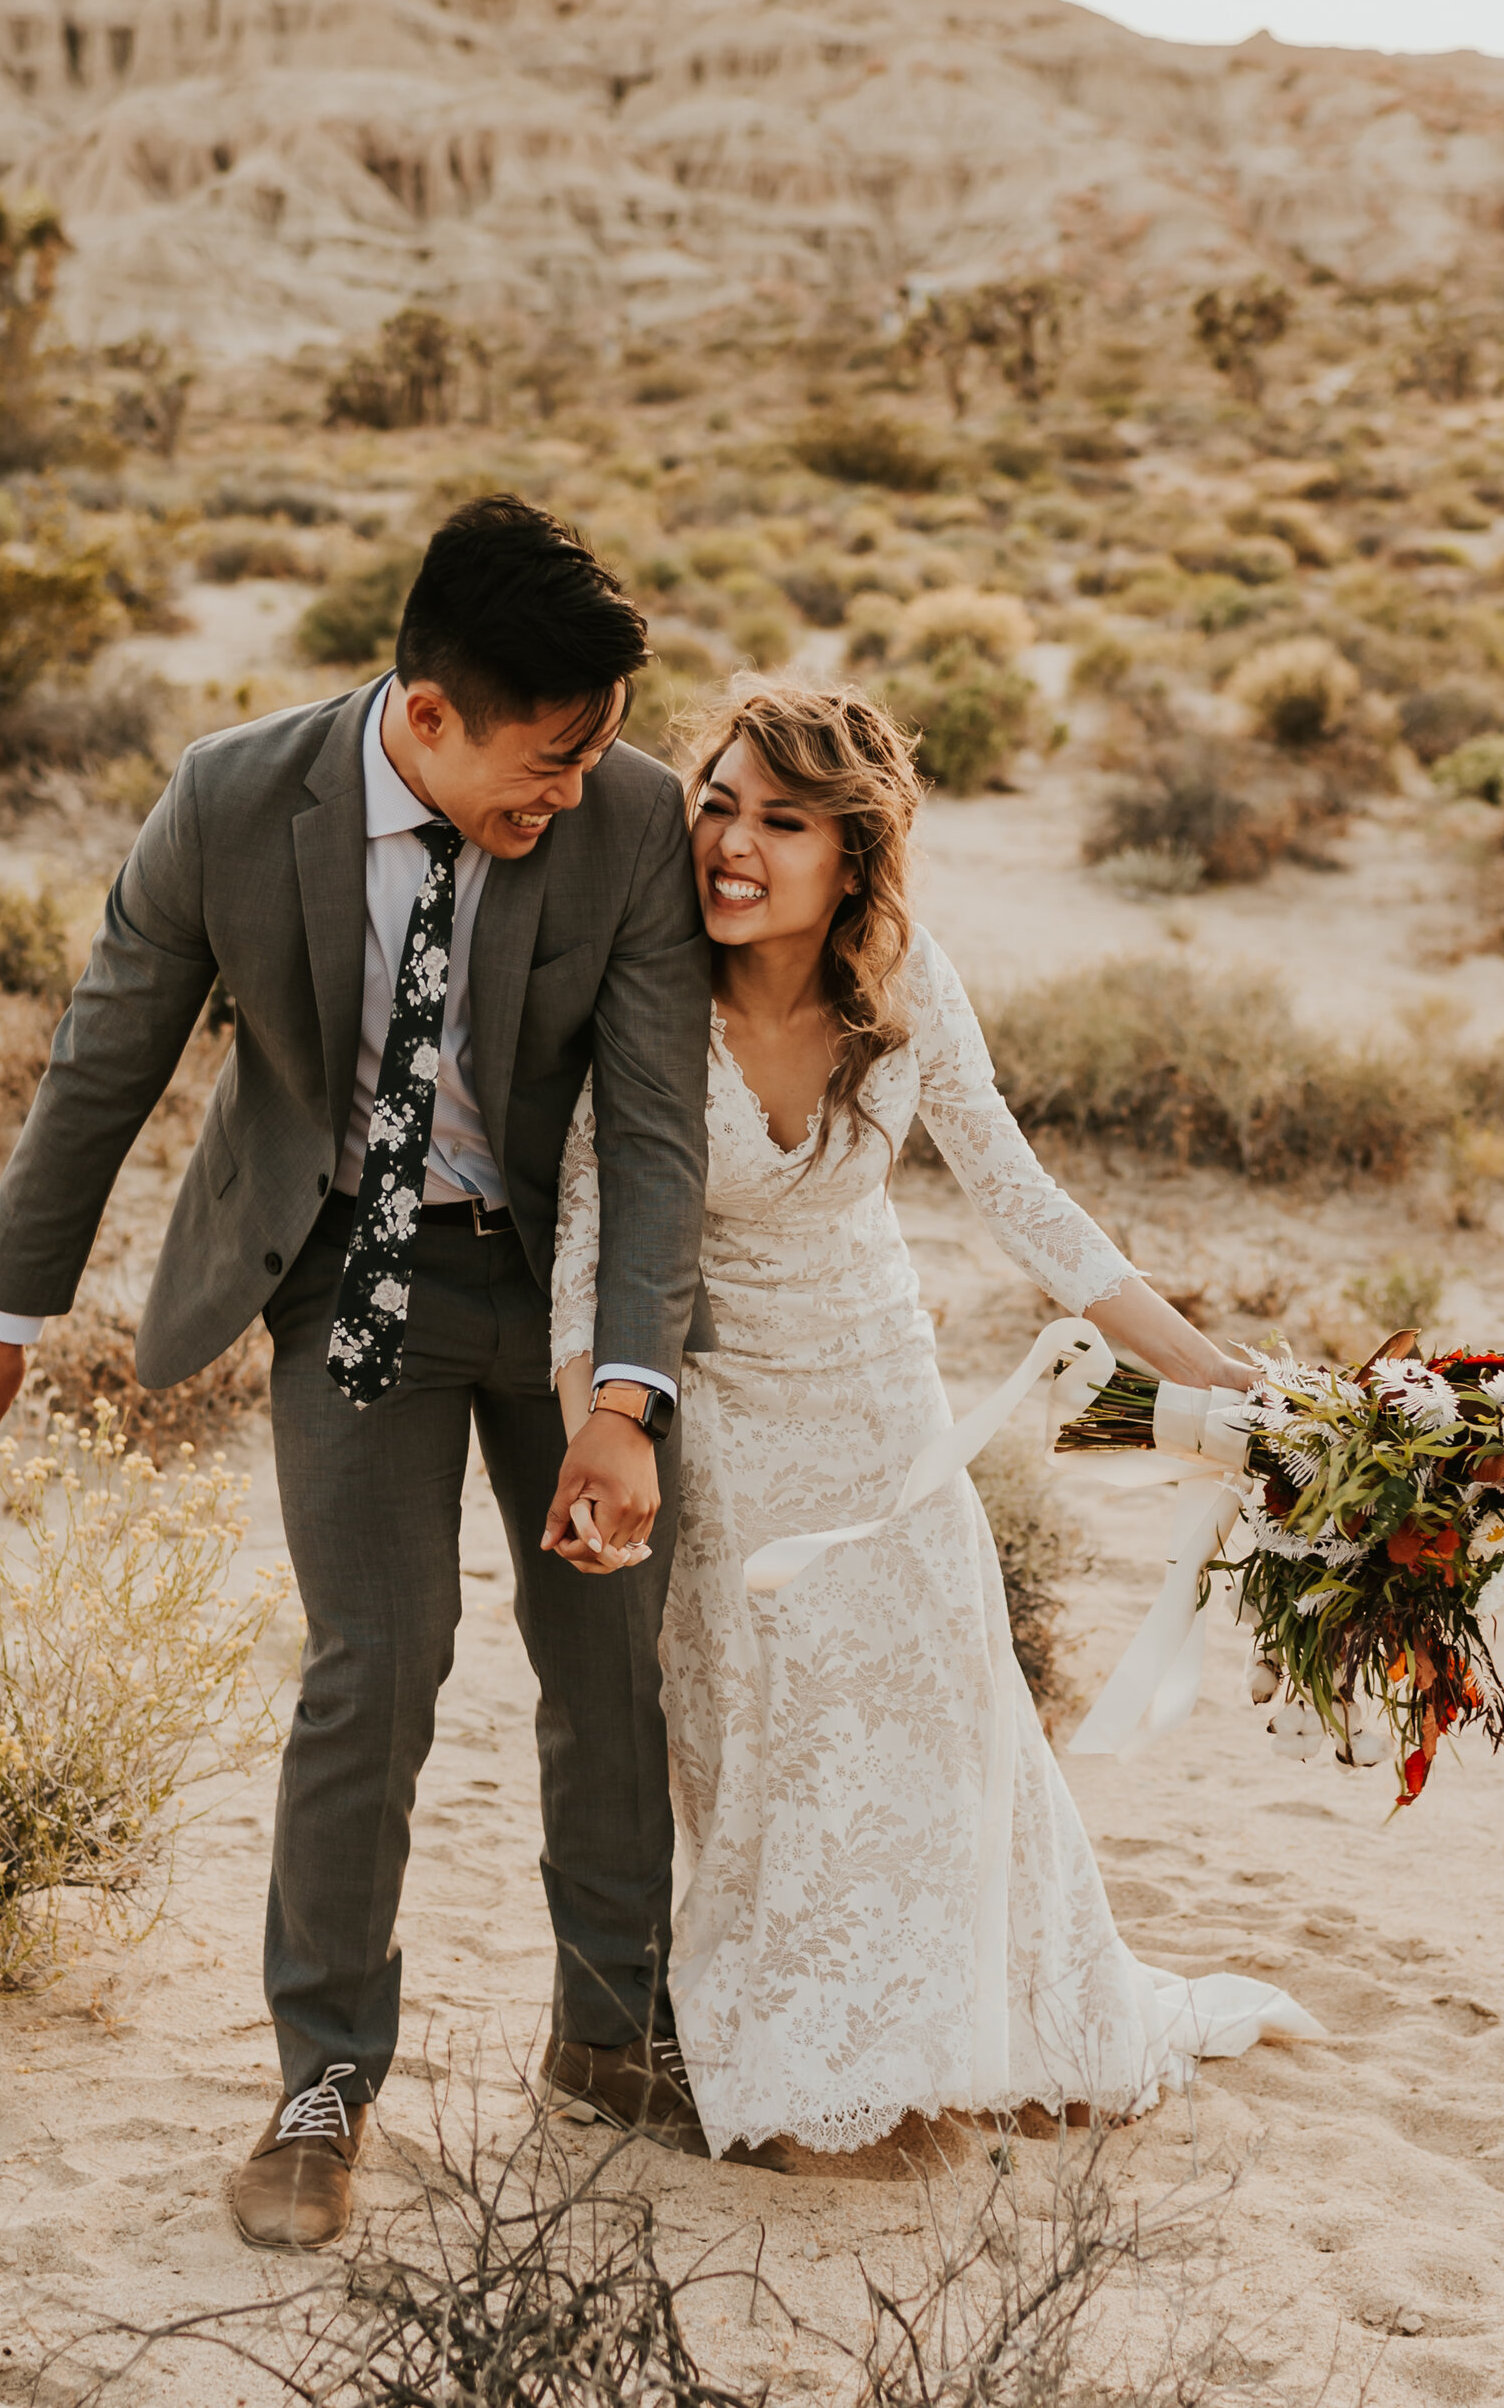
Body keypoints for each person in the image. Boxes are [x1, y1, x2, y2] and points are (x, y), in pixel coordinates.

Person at [0, 495, 714, 2250]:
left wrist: (627, 1397)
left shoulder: (634, 822)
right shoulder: (229, 798)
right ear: (427, 714)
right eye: (549, 752)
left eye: (598, 752)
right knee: (376, 1663)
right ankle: (324, 2080)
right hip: (349, 1272)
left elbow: (659, 1129)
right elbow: (102, 1060)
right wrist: (7, 1313)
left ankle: (613, 2032)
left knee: (607, 1650)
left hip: (569, 1287)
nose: (573, 788)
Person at [549, 677, 1319, 2170]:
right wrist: (603, 1428)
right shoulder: (644, 984)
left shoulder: (909, 988)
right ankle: (807, 2066)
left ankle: (957, 2029)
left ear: (854, 858)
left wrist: (1212, 1368)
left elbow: (1025, 1200)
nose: (732, 845)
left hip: (883, 1395)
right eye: (716, 804)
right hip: (723, 1406)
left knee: (932, 1718)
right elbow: (593, 1225)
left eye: (783, 821)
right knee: (766, 1737)